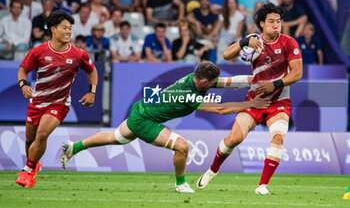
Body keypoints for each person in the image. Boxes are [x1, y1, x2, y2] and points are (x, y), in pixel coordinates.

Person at [60, 61, 270, 192]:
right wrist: (250, 104)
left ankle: (74, 147)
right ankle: (181, 184)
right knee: (182, 147)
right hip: (145, 120)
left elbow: (229, 82)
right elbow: (220, 110)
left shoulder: (196, 78)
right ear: (204, 81)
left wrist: (256, 80)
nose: (217, 83)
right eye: (213, 81)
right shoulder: (189, 93)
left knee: (116, 137)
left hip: (141, 110)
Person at [197, 3, 303, 194]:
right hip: (255, 100)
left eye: (278, 21)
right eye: (271, 21)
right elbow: (226, 54)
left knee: (278, 138)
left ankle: (262, 186)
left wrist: (276, 84)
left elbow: (297, 74)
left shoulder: (289, 43)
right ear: (262, 23)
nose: (276, 25)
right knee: (233, 139)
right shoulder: (254, 42)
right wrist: (244, 41)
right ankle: (212, 170)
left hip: (279, 101)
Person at [15, 10, 98, 188]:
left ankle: (26, 171)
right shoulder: (39, 51)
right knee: (30, 140)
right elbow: (22, 69)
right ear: (53, 29)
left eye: (70, 28)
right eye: (64, 28)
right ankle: (34, 164)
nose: (68, 31)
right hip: (37, 102)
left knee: (42, 134)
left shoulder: (78, 54)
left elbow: (92, 70)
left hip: (59, 104)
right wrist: (23, 85)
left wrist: (92, 92)